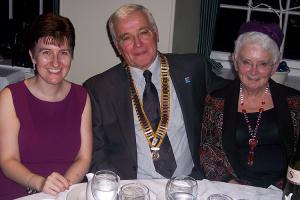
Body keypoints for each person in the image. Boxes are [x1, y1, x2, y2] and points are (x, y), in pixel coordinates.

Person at [83, 3, 228, 180]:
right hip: (132, 188)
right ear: (117, 46)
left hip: (190, 182)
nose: (138, 44)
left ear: (156, 33)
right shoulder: (99, 89)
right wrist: (115, 187)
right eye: (126, 38)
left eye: (144, 32)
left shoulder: (193, 68)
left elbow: (234, 96)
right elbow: (95, 151)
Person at [0, 13, 92, 199]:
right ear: (32, 56)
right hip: (21, 191)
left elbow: (84, 157)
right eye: (46, 52)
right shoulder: (10, 97)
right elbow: (7, 160)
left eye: (63, 53)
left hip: (68, 190)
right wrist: (40, 183)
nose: (56, 62)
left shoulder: (81, 96)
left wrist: (63, 188)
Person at [199, 21, 300, 188]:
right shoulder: (216, 101)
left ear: (274, 66)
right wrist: (234, 186)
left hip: (283, 189)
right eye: (246, 62)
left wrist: (290, 188)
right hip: (235, 189)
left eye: (263, 64)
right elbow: (208, 153)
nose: (253, 71)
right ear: (235, 61)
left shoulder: (295, 102)